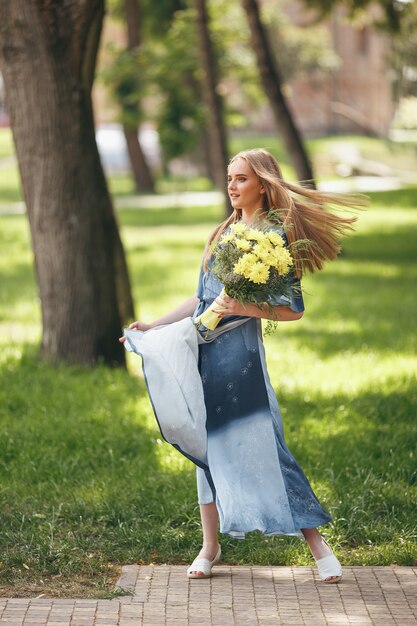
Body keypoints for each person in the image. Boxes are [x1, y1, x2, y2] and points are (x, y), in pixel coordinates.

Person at [120, 148, 362, 584]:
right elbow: (201, 297)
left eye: (241, 179)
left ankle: (319, 548)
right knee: (206, 445)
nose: (232, 186)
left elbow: (292, 310)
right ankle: (209, 548)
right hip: (204, 352)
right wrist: (154, 323)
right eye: (229, 178)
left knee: (267, 446)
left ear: (263, 185)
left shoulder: (274, 240)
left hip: (242, 360)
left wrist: (243, 306)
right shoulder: (222, 233)